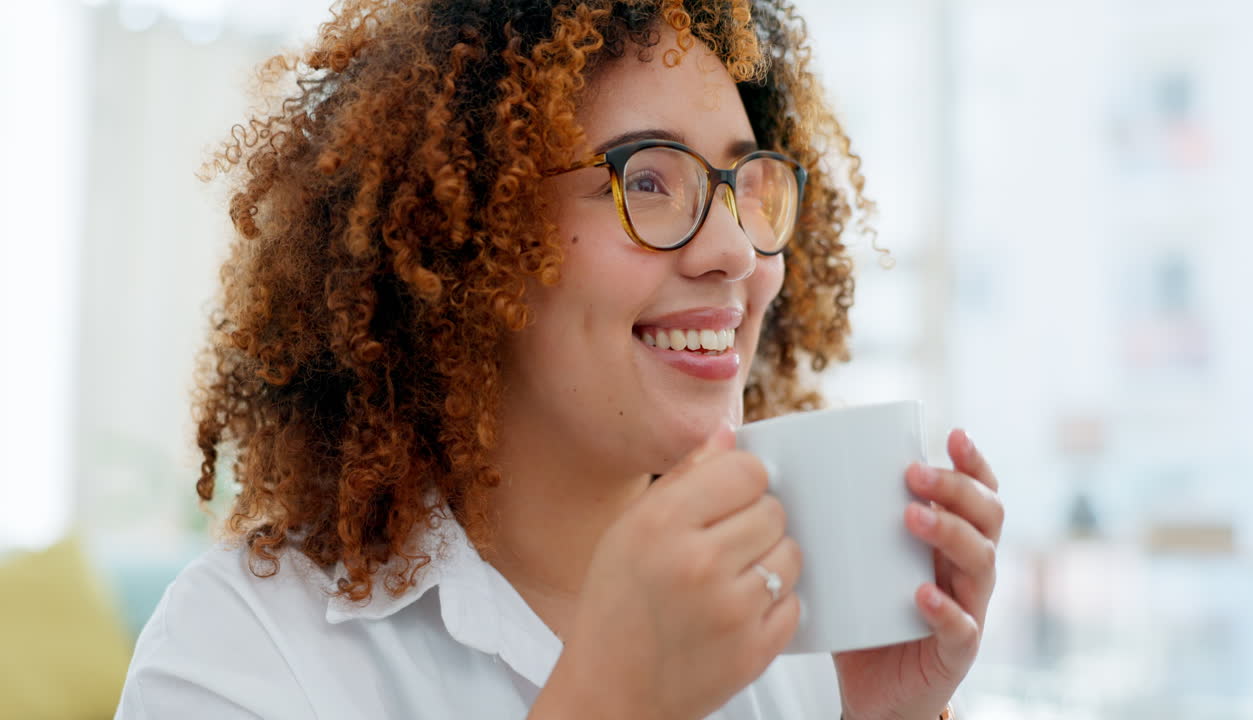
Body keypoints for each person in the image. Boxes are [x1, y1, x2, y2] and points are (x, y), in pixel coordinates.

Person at [115, 1, 1004, 718]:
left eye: (744, 184)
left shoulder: (801, 620)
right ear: (462, 237)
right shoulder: (237, 652)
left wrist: (890, 718)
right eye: (648, 180)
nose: (735, 251)